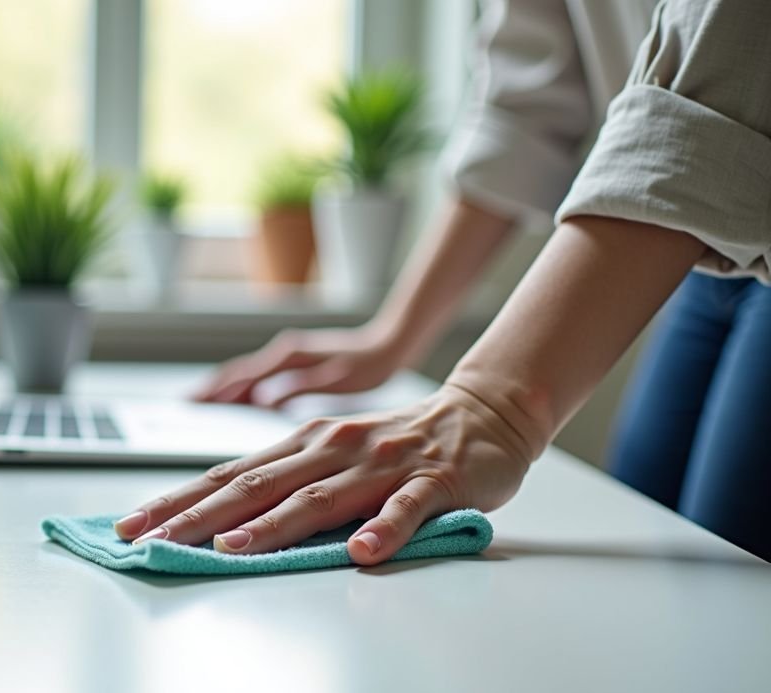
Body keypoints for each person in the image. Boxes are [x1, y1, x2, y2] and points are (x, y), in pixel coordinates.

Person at [114, 0, 771, 562]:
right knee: (663, 569)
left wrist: (492, 407)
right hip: (706, 258)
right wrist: (391, 337)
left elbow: (734, 50)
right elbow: (528, 105)